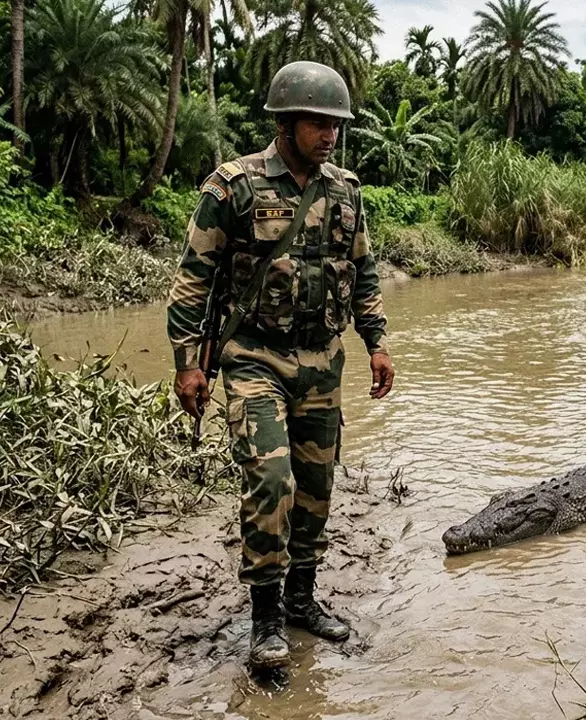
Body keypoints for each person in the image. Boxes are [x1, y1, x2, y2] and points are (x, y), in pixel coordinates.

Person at [165, 60, 395, 671]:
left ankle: (300, 602)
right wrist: (190, 364)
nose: (329, 135)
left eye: (335, 125)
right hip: (252, 359)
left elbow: (363, 271)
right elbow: (194, 280)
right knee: (272, 483)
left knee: (317, 489)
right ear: (286, 122)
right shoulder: (233, 187)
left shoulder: (345, 191)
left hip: (322, 361)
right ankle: (265, 620)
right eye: (318, 124)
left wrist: (376, 342)